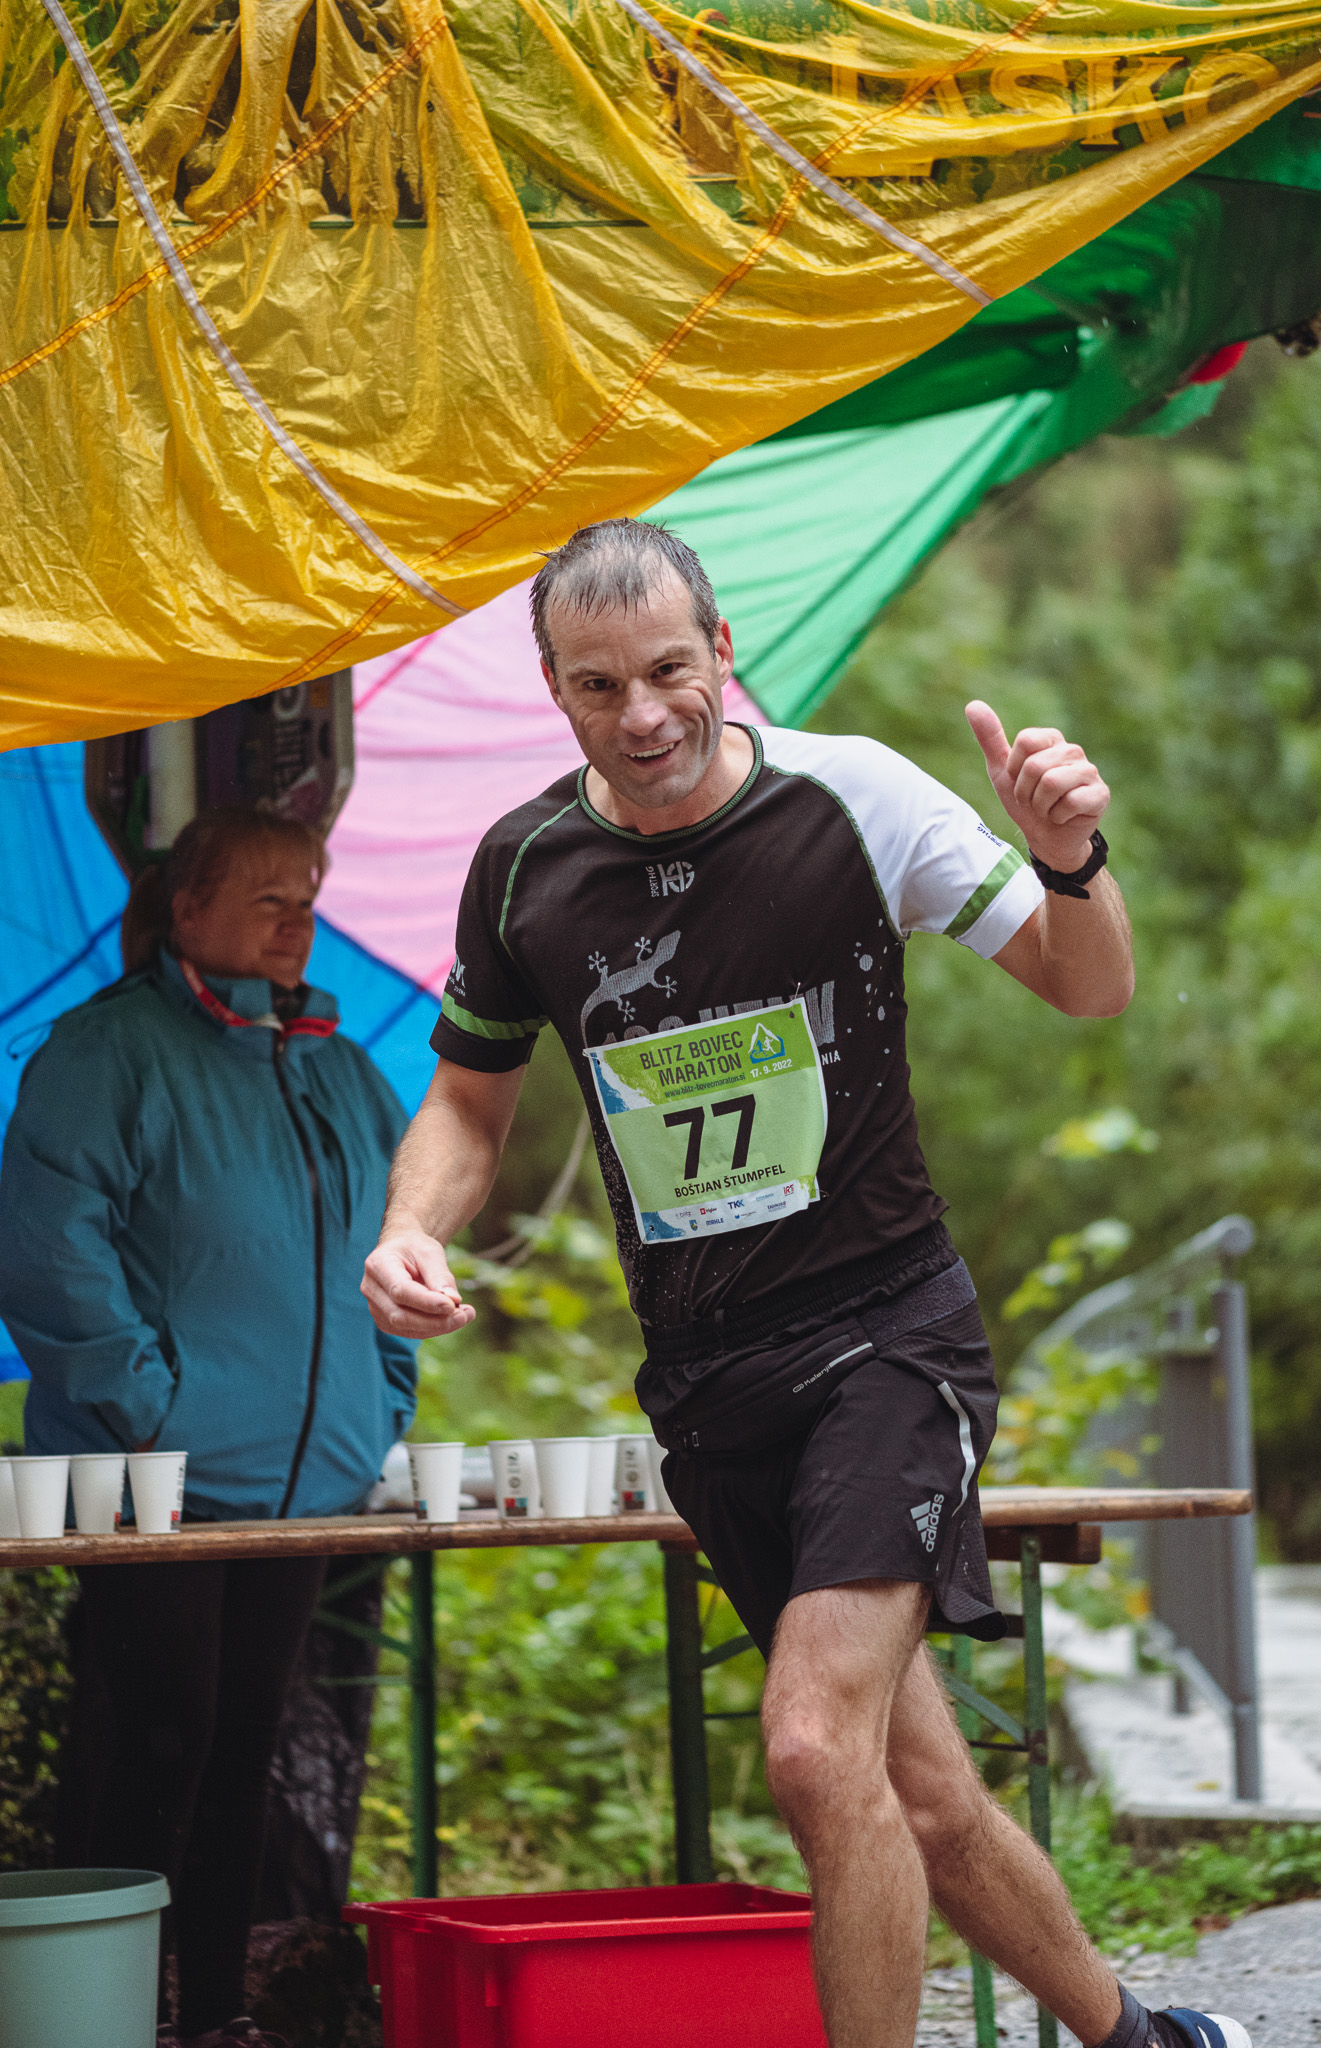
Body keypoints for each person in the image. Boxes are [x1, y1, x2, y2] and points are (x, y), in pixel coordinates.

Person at [360, 520, 1251, 2048]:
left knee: (806, 1744)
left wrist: (1067, 860)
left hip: (884, 1339)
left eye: (667, 669)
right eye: (597, 686)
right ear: (554, 692)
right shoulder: (521, 872)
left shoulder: (850, 797)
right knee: (916, 1791)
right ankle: (1148, 2042)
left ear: (722, 650)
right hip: (711, 1385)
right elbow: (466, 1100)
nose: (643, 714)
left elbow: (1083, 980)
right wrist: (409, 1226)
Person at [0, 807, 417, 2048]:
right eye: (265, 898)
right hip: (149, 1478)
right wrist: (149, 1404)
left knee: (245, 1750)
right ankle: (110, 2019)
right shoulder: (106, 1050)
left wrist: (382, 1397)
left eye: (307, 897)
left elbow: (395, 1245)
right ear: (186, 909)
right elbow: (48, 1249)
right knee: (157, 1742)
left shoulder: (340, 1068)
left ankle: (221, 2013)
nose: (297, 922)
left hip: (306, 1483)